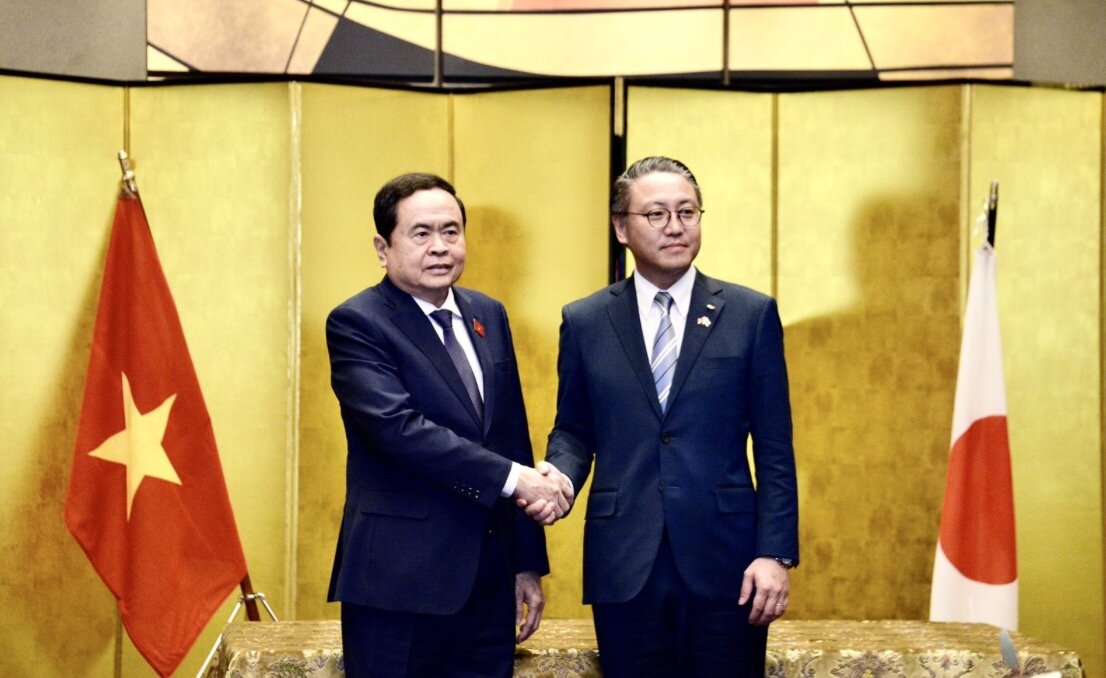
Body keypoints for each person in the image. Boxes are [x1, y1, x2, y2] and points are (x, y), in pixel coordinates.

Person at [537, 156, 800, 676]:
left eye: (688, 212)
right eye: (656, 215)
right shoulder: (586, 320)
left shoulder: (751, 314)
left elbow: (774, 449)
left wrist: (776, 553)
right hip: (625, 560)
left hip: (730, 565)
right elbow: (574, 428)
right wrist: (559, 475)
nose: (675, 227)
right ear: (621, 227)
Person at [326, 172, 571, 677]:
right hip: (399, 586)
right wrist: (515, 479)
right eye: (421, 233)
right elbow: (399, 429)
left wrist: (526, 562)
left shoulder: (488, 314)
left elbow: (511, 437)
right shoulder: (358, 322)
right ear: (382, 246)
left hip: (488, 584)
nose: (440, 247)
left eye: (452, 231)